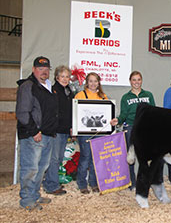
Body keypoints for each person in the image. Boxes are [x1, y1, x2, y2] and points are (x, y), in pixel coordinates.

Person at [16, 56, 58, 211]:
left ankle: (34, 195)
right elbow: (22, 112)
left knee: (41, 167)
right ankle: (26, 199)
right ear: (33, 70)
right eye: (41, 69)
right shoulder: (28, 86)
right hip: (33, 135)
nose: (44, 72)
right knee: (30, 167)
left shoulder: (48, 86)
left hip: (47, 134)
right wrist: (34, 131)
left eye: (47, 69)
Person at [110, 71, 155, 190]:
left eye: (138, 79)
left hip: (145, 128)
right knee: (130, 157)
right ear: (130, 81)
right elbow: (124, 114)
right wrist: (117, 120)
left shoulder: (148, 95)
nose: (136, 82)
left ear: (141, 81)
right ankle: (132, 183)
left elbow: (153, 112)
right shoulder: (126, 97)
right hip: (130, 127)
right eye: (134, 80)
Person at [75, 72, 108, 194]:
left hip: (99, 132)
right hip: (85, 132)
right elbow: (75, 114)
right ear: (86, 83)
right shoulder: (80, 95)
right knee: (85, 157)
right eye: (90, 81)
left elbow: (107, 114)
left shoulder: (103, 97)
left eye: (95, 81)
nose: (93, 84)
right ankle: (82, 184)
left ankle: (93, 183)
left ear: (99, 83)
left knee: (96, 159)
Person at [42, 66, 73, 195]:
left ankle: (51, 181)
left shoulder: (69, 92)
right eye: (62, 76)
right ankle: (51, 185)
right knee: (54, 158)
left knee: (59, 158)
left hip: (65, 130)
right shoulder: (53, 91)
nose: (65, 79)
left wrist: (72, 127)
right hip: (55, 130)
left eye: (67, 76)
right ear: (56, 77)